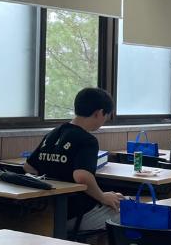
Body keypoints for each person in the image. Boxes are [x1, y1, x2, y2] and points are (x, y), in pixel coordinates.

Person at [24, 87, 123, 232]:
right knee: (128, 213)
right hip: (75, 215)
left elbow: (29, 167)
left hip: (45, 214)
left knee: (116, 200)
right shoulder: (87, 140)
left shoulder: (53, 134)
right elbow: (82, 176)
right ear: (99, 113)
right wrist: (102, 197)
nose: (104, 121)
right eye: (106, 116)